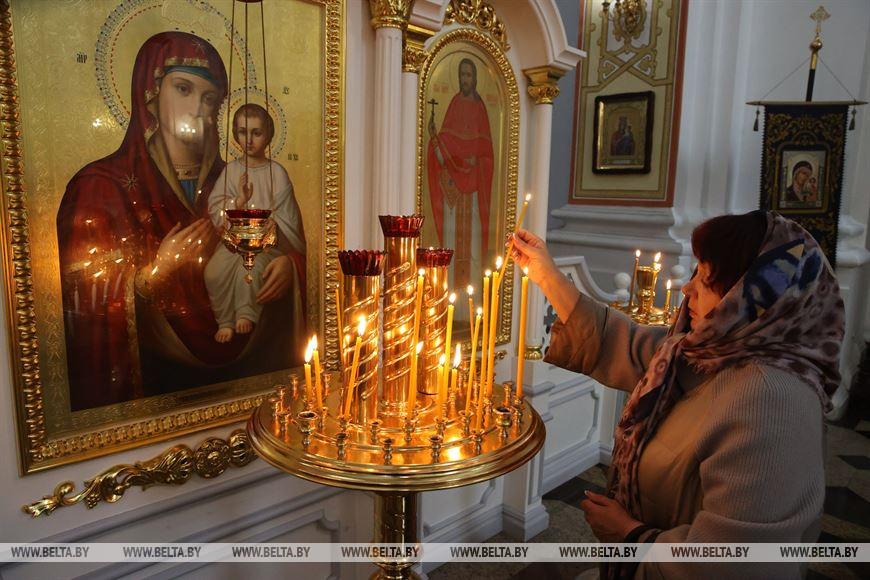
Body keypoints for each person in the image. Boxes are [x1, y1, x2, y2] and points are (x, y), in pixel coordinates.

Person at [510, 210, 845, 579]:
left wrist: (629, 534)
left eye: (705, 279)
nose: (687, 289)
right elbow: (629, 346)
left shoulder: (772, 400)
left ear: (752, 300)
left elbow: (738, 564)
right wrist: (546, 275)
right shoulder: (713, 351)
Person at [57, 32, 305, 411]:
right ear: (150, 96)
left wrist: (289, 266)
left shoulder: (239, 176)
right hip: (156, 386)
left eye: (210, 99)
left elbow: (282, 241)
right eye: (184, 89)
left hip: (251, 391)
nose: (198, 109)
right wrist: (156, 273)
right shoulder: (100, 186)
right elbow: (82, 302)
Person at [206, 103, 306, 343]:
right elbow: (215, 208)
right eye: (242, 132)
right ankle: (225, 320)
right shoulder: (231, 171)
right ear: (235, 134)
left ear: (268, 135)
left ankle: (246, 313)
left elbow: (289, 221)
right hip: (236, 240)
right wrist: (239, 200)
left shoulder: (277, 173)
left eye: (256, 133)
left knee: (249, 269)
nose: (248, 140)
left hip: (267, 243)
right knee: (212, 272)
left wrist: (266, 227)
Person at [427, 57, 494, 291]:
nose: (465, 79)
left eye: (468, 75)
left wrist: (476, 162)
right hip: (453, 192)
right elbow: (444, 148)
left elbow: (488, 156)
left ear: (475, 78)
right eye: (462, 75)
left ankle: (471, 304)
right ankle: (449, 300)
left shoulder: (480, 109)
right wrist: (435, 140)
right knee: (452, 246)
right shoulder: (455, 103)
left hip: (474, 191)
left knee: (472, 246)